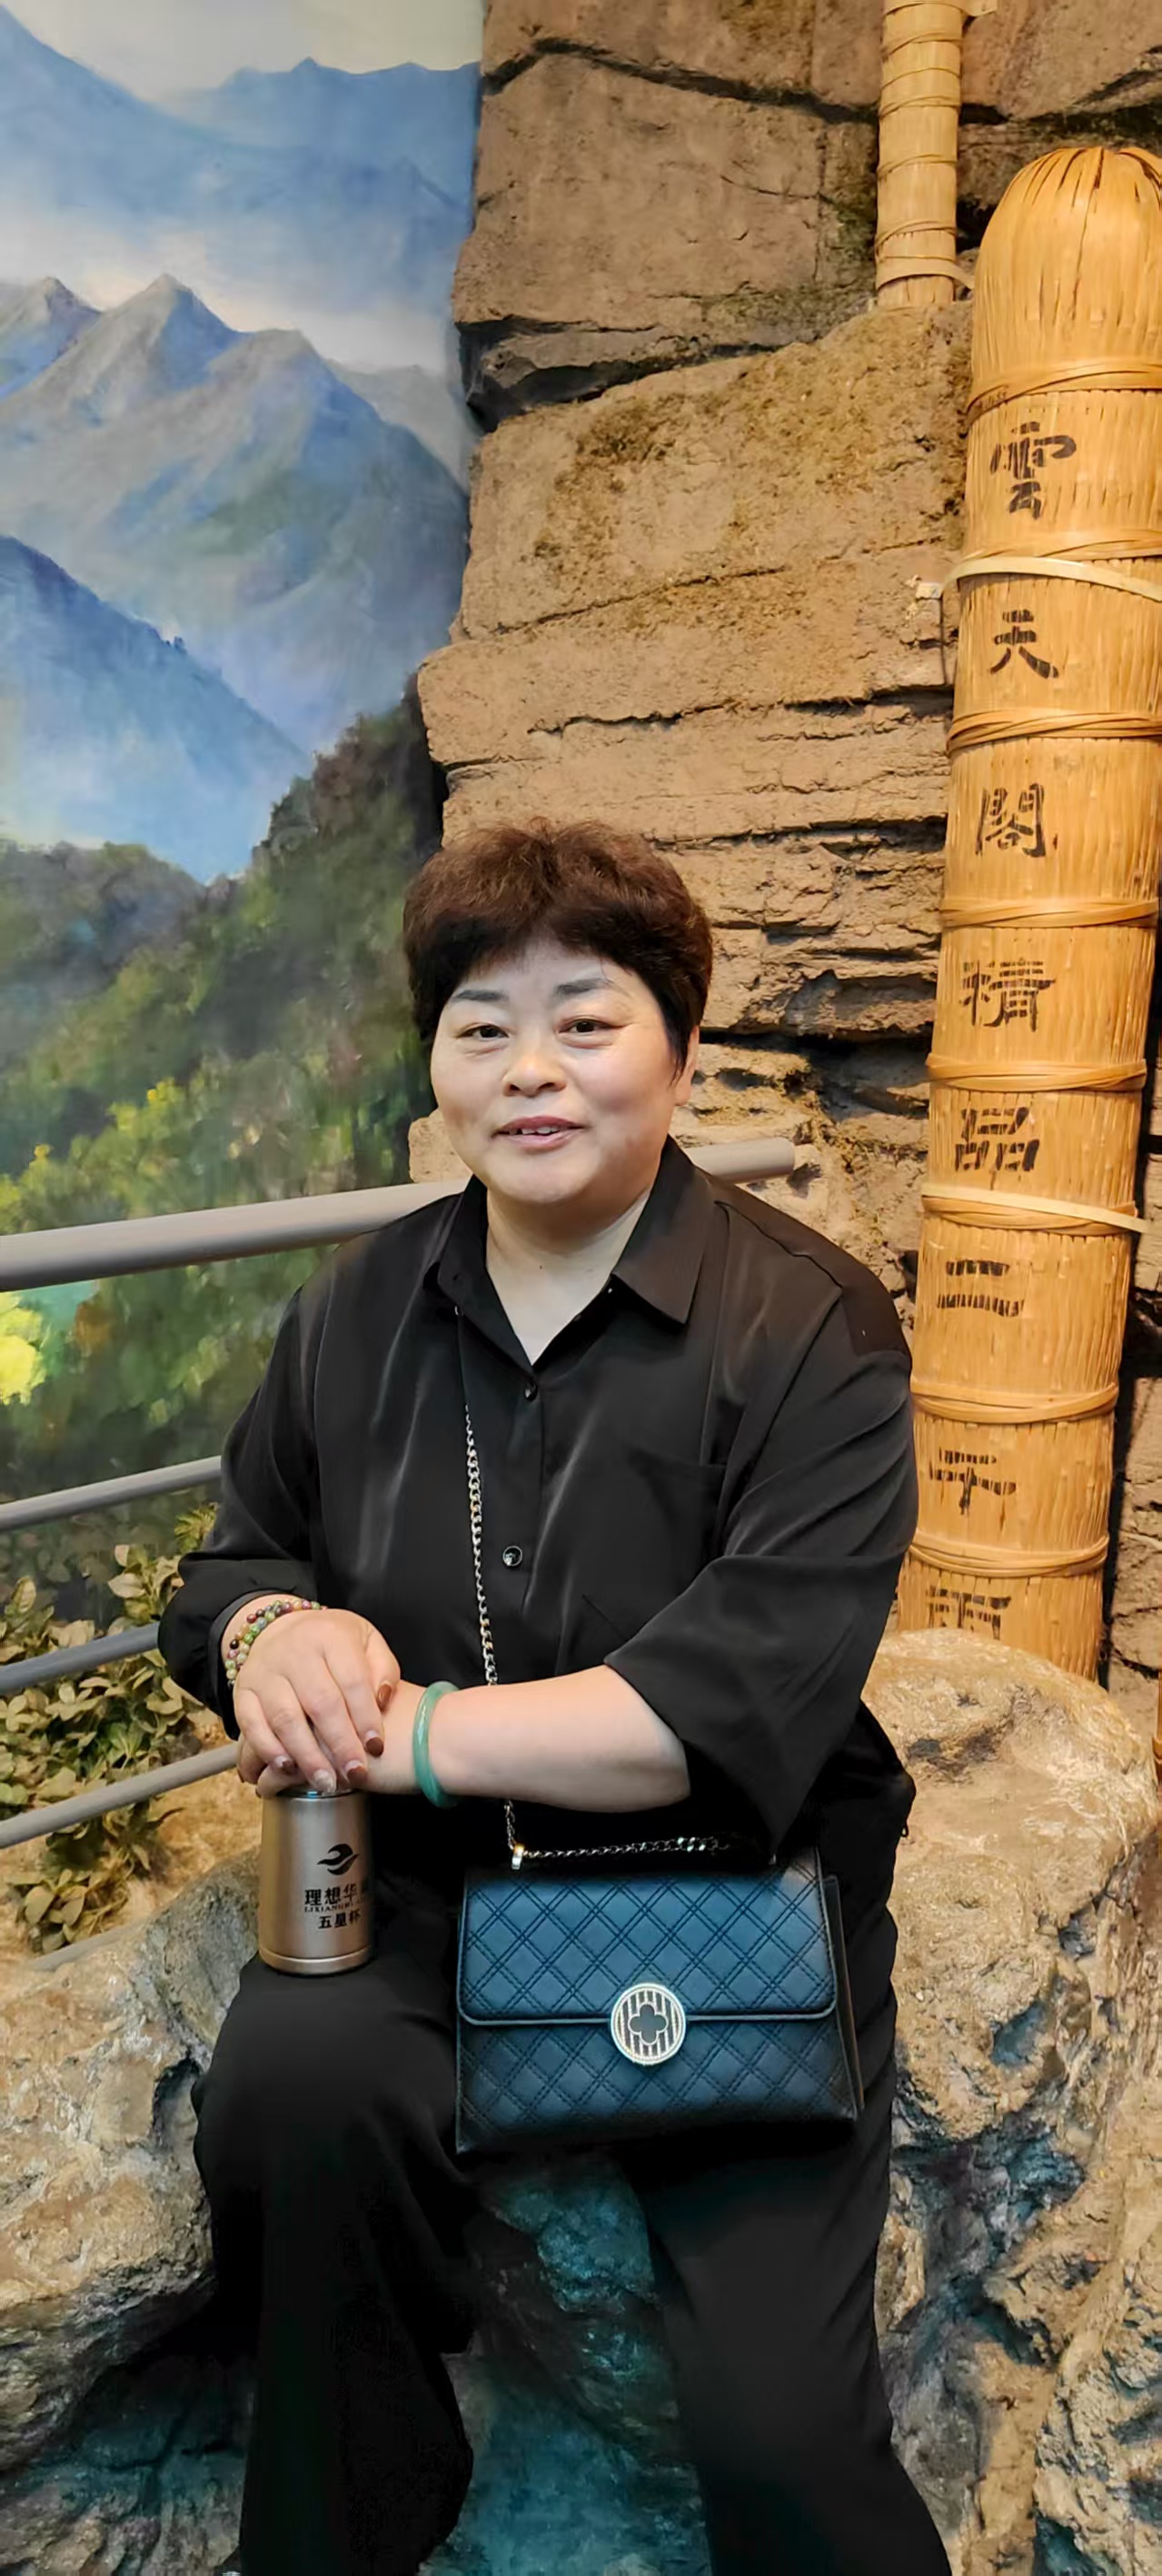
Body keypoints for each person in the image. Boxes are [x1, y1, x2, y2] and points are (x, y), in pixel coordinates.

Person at [160, 819, 950, 2576]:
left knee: (780, 2424)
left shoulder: (811, 1330)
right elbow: (231, 1567)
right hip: (430, 1890)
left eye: (586, 1022)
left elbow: (716, 1705)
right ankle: (358, 2521)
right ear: (438, 1064)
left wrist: (401, 1733)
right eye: (482, 1027)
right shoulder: (355, 1312)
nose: (531, 1071)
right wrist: (270, 1632)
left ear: (680, 1048)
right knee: (290, 2101)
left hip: (726, 1890)